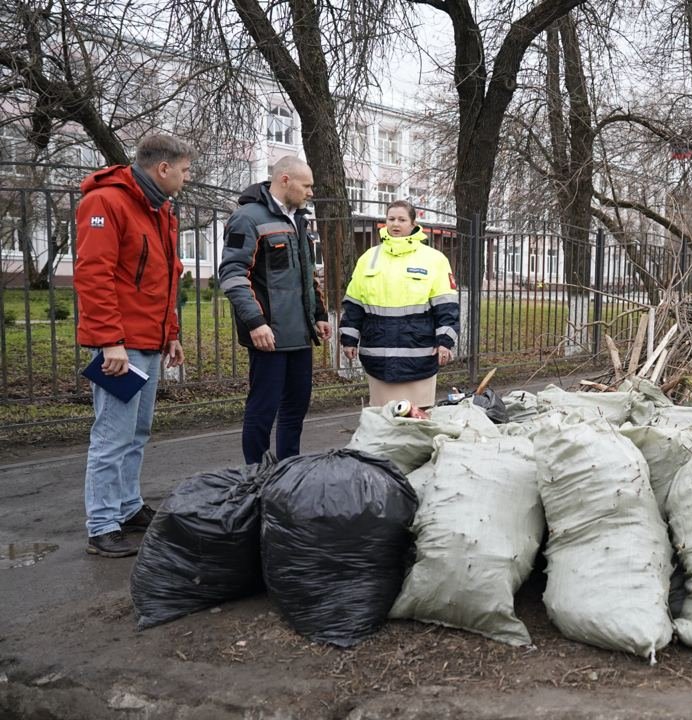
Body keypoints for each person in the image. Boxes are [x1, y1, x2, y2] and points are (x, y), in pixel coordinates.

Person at [74, 133, 192, 558]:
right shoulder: (105, 202)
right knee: (112, 434)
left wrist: (171, 333)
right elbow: (94, 275)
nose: (186, 177)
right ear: (163, 169)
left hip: (147, 341)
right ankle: (102, 523)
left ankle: (126, 506)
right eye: (184, 170)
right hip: (121, 345)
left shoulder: (159, 210)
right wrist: (110, 342)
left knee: (136, 431)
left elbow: (166, 276)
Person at [218, 156, 330, 465]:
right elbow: (233, 275)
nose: (310, 192)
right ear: (284, 180)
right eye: (306, 185)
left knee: (296, 407)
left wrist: (319, 315)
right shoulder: (248, 218)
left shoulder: (299, 220)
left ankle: (288, 469)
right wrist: (256, 322)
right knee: (263, 408)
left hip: (299, 334)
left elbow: (308, 274)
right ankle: (255, 475)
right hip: (268, 336)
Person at [340, 200, 459, 409]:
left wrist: (445, 342)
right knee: (382, 418)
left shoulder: (433, 259)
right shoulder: (369, 258)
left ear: (413, 224)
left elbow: (446, 306)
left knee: (418, 418)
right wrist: (349, 339)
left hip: (419, 354)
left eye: (402, 219)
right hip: (378, 354)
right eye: (391, 219)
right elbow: (354, 304)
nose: (395, 224)